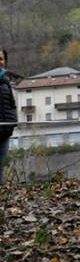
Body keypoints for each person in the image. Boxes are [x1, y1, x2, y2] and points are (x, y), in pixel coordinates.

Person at [0, 47, 18, 184]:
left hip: (4, 133)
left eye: (1, 58)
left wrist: (12, 123)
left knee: (0, 169)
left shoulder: (5, 82)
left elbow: (11, 105)